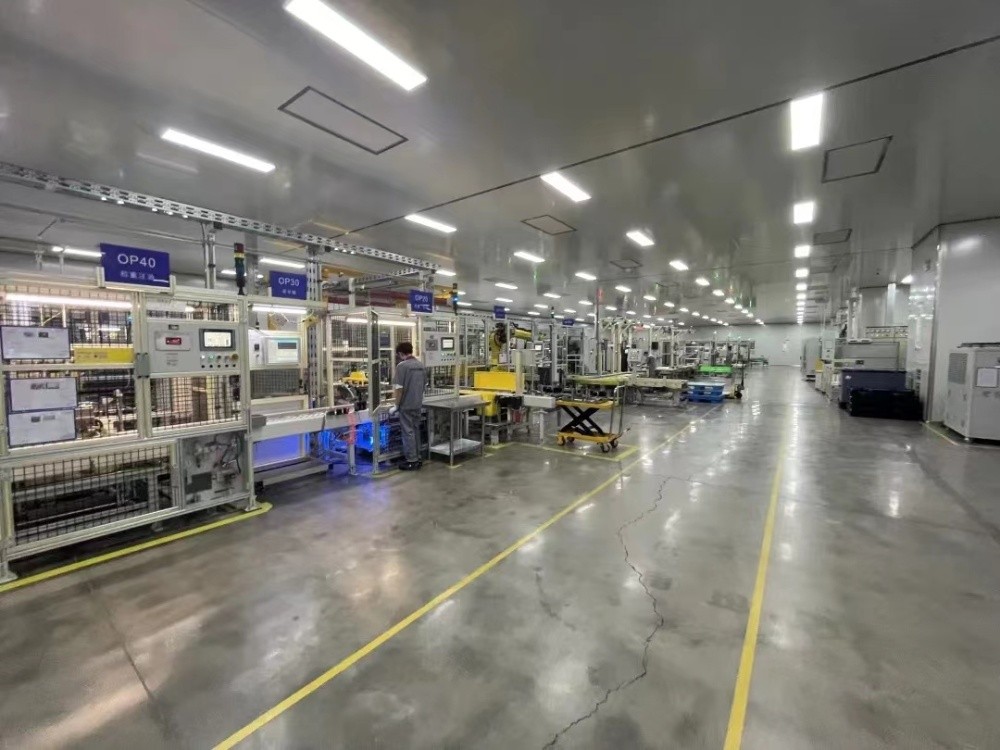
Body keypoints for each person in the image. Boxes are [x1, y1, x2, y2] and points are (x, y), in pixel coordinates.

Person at [391, 341, 426, 470]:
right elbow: (424, 385)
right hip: (417, 404)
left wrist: (396, 405)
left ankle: (411, 460)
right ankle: (418, 457)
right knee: (416, 430)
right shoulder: (421, 365)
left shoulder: (402, 366)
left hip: (406, 405)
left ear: (400, 353)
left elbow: (399, 389)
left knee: (408, 432)